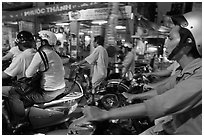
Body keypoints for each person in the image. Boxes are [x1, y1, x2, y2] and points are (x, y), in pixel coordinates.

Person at [83, 11, 202, 135]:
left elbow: (162, 104)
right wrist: (134, 96)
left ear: (187, 44)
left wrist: (104, 114)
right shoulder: (184, 71)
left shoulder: (200, 77)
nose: (165, 44)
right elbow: (161, 90)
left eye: (170, 38)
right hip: (170, 127)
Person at [2, 31, 36, 125]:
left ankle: (17, 120)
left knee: (9, 92)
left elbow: (6, 75)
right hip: (35, 84)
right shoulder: (36, 53)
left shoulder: (22, 57)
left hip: (25, 87)